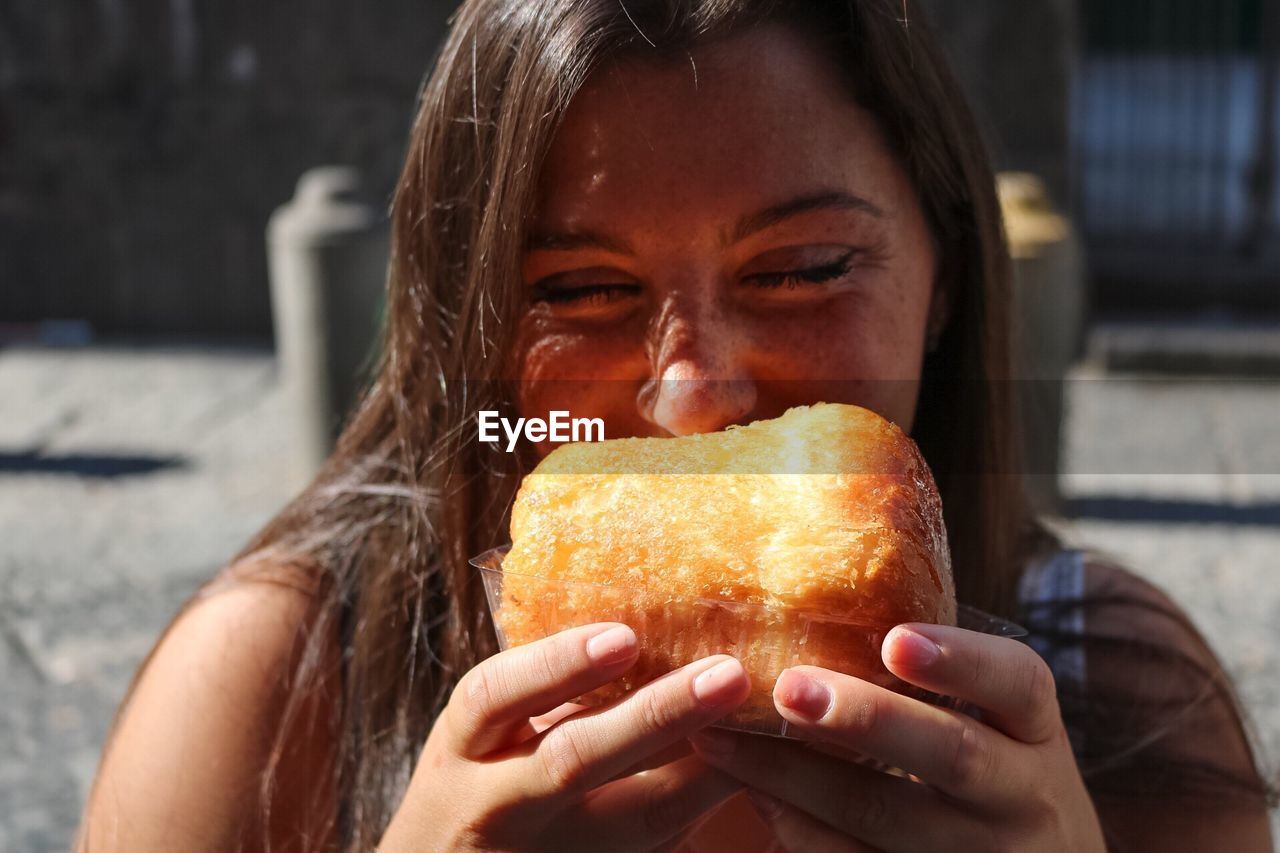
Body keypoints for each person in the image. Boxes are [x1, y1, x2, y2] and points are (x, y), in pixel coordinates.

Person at [78, 1, 1275, 850]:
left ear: (943, 275)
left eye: (805, 268)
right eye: (579, 289)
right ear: (468, 324)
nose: (694, 394)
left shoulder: (1121, 693)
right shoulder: (271, 692)